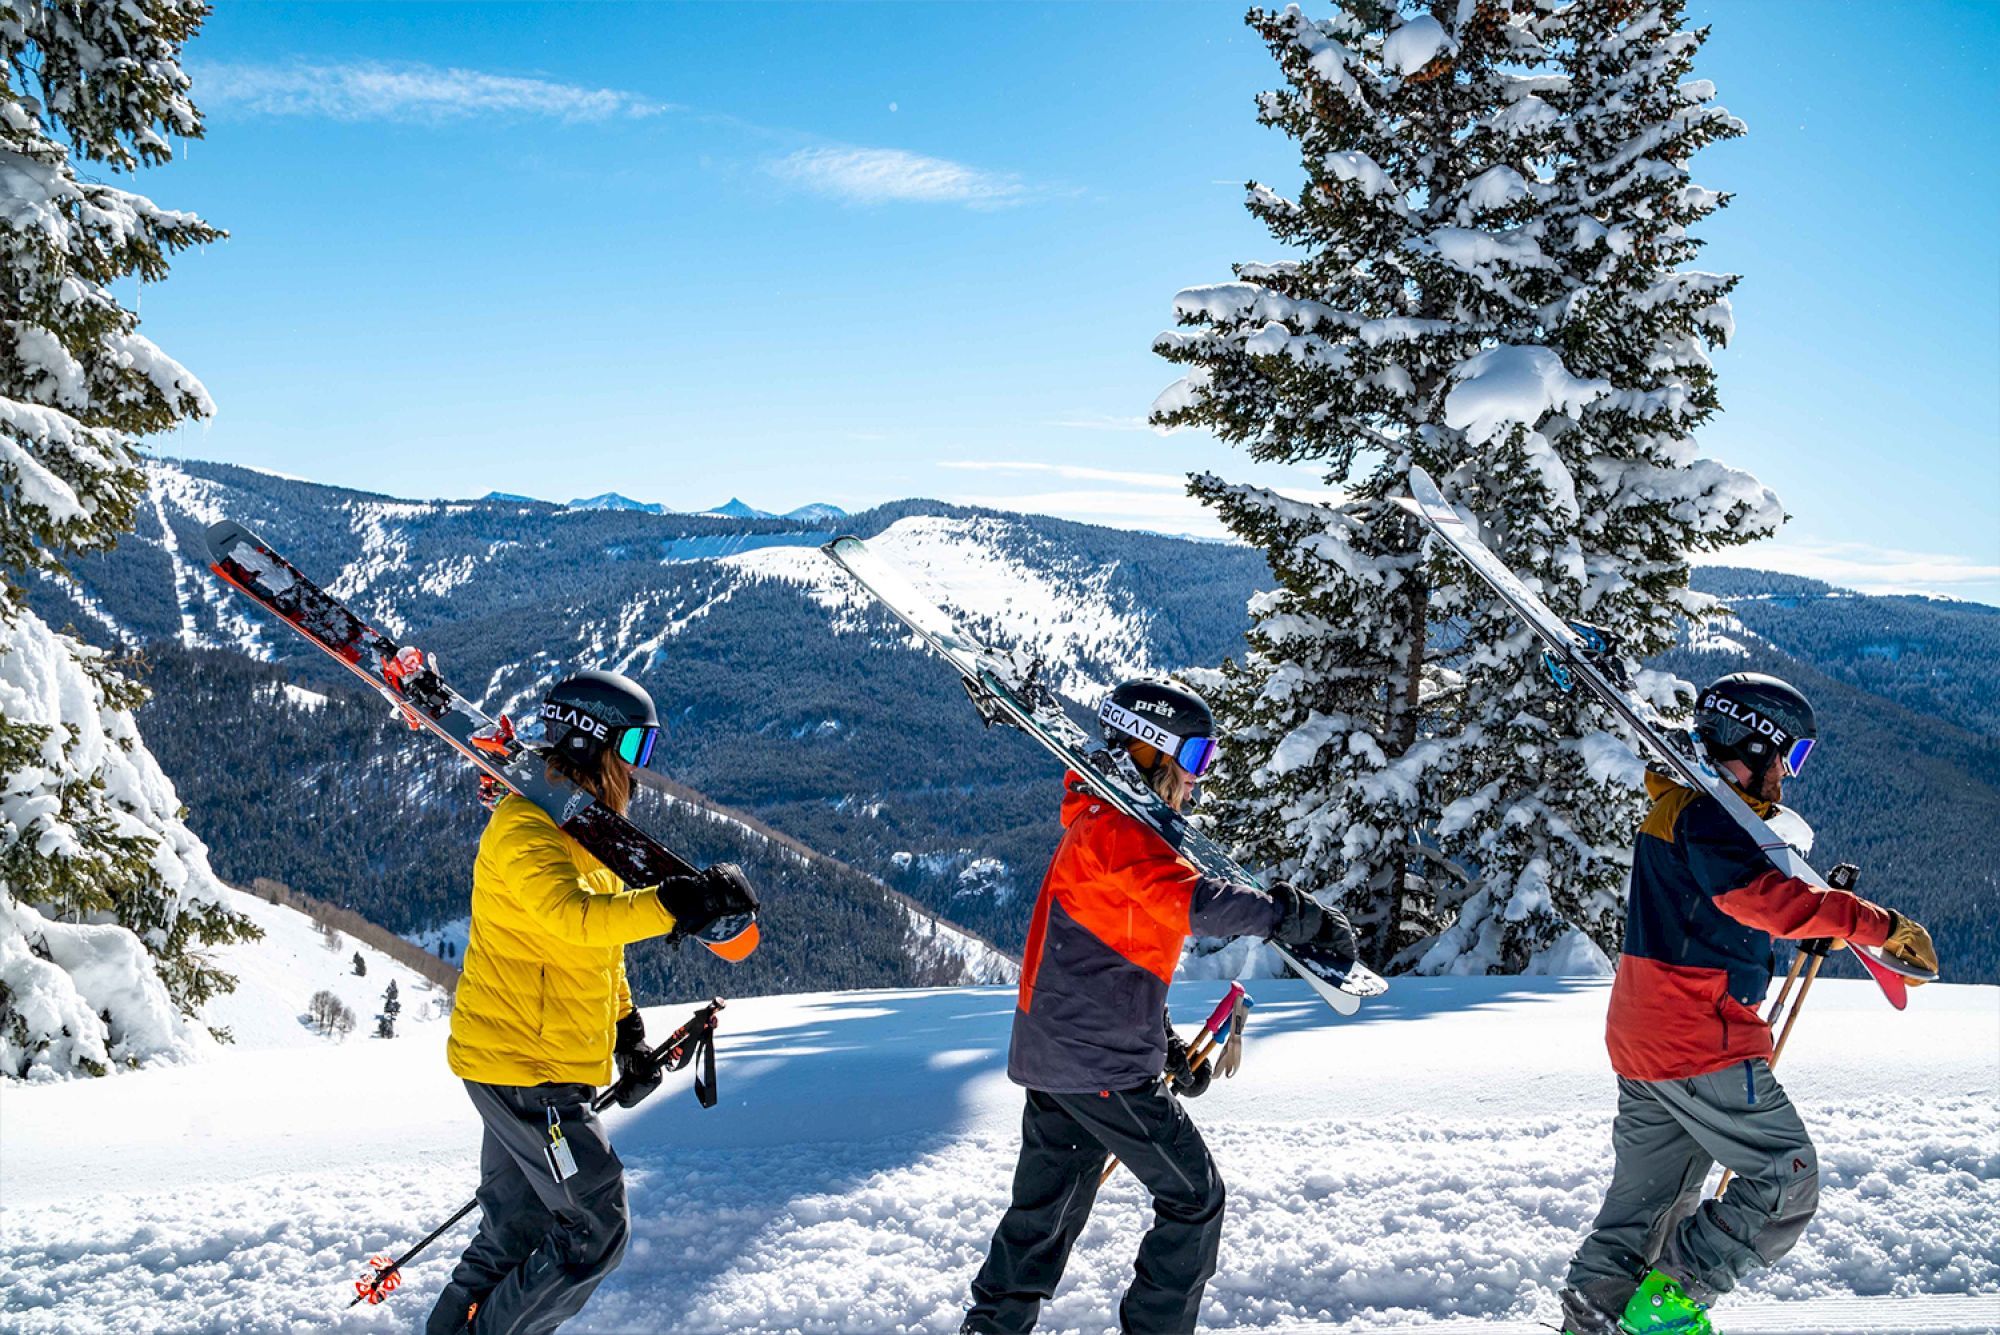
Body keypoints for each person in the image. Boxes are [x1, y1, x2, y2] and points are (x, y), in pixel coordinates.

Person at [961, 679, 1358, 1335]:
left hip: (1064, 1057)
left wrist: (1165, 1044)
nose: (1197, 783)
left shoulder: (1103, 825)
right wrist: (1291, 917)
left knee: (1048, 1209)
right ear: (1151, 752)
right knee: (1196, 1198)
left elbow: (1114, 961)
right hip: (1099, 1066)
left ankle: (993, 1324)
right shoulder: (1119, 833)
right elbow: (1195, 902)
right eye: (1195, 759)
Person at [1559, 673, 1937, 1335]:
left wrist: (1818, 922)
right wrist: (1874, 923)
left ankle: (1596, 1315)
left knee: (1648, 1201)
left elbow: (1725, 907)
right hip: (1697, 1035)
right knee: (1785, 1178)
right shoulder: (1709, 816)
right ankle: (1671, 1301)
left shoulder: (1684, 807)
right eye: (1787, 757)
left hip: (1645, 1035)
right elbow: (1759, 899)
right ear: (1752, 744)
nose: (1788, 777)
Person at [427, 670, 759, 1335]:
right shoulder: (524, 829)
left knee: (516, 1228)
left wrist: (626, 1034)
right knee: (595, 1224)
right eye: (632, 749)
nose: (637, 771)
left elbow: (597, 947)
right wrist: (674, 903)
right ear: (588, 744)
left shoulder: (582, 834)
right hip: (526, 1073)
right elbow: (575, 917)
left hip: (534, 1065)